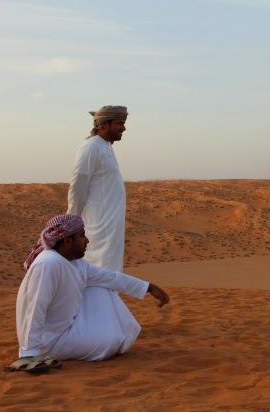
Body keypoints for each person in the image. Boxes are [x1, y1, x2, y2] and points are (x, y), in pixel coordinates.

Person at [15, 214, 170, 365]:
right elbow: (34, 308)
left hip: (68, 324)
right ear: (68, 240)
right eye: (82, 236)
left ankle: (111, 337)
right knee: (108, 344)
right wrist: (29, 352)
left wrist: (148, 287)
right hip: (51, 341)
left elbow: (110, 277)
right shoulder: (48, 264)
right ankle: (109, 339)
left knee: (101, 288)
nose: (87, 240)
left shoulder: (75, 262)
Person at [67, 105, 128, 272]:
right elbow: (78, 185)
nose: (123, 128)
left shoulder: (105, 146)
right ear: (104, 124)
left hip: (110, 224)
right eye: (119, 123)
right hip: (98, 226)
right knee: (98, 270)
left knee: (110, 270)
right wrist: (71, 222)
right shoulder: (91, 147)